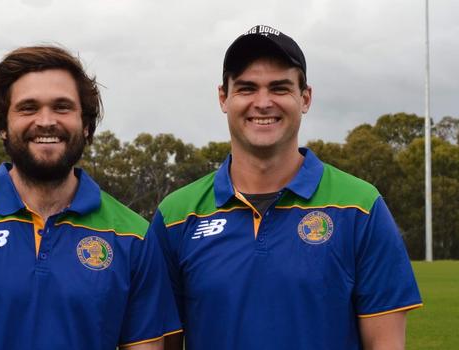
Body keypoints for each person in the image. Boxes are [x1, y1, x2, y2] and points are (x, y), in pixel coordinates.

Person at [0, 45, 181, 350]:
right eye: (28, 108)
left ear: (87, 125)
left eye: (62, 107)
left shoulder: (134, 237)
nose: (46, 121)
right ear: (2, 125)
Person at [154, 25, 423, 350]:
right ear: (223, 98)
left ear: (305, 97)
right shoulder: (176, 216)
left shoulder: (360, 207)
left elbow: (386, 343)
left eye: (279, 88)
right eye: (247, 88)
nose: (263, 102)